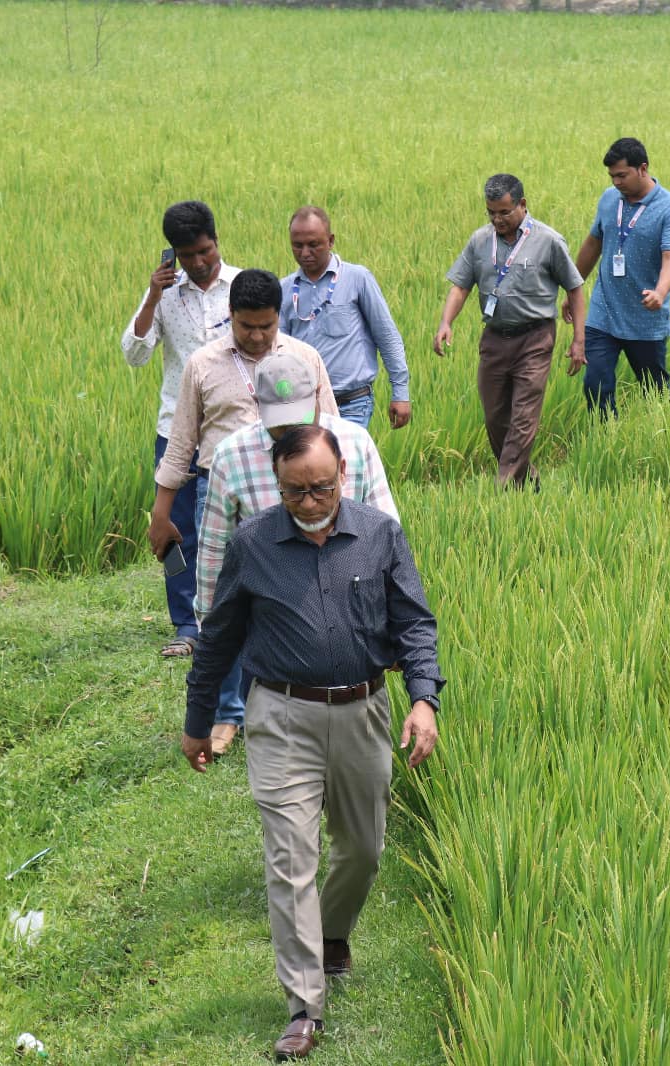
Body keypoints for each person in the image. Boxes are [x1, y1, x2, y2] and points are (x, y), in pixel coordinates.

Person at [182, 424, 444, 1063]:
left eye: (321, 487)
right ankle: (304, 1006)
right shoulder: (253, 544)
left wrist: (424, 700)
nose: (310, 501)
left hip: (362, 712)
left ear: (343, 479)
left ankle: (331, 935)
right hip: (282, 716)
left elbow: (414, 621)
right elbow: (218, 637)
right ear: (277, 483)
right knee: (290, 859)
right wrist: (198, 719)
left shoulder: (378, 535)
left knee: (362, 849)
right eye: (296, 490)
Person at [147, 269, 339, 755]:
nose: (256, 337)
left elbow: (331, 431)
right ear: (229, 316)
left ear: (279, 319)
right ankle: (229, 713)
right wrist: (162, 508)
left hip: (293, 494)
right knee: (228, 600)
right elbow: (181, 442)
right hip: (225, 488)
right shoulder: (202, 363)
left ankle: (284, 701)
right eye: (246, 326)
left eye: (266, 327)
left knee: (290, 599)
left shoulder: (304, 358)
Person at [195, 351, 401, 643]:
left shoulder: (355, 443)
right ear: (257, 404)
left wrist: (396, 622)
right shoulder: (231, 457)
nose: (293, 431)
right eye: (281, 423)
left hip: (351, 624)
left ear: (318, 394)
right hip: (268, 630)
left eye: (300, 417)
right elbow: (215, 550)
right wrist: (210, 629)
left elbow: (386, 537)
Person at [120, 200, 241, 659]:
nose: (197, 263)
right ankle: (185, 626)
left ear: (216, 240)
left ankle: (230, 617)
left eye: (204, 251)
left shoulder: (240, 285)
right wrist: (152, 296)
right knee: (174, 529)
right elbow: (135, 354)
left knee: (236, 529)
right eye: (186, 255)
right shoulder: (166, 293)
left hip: (231, 431)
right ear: (172, 253)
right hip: (176, 431)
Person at [434, 174, 585, 489]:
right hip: (494, 339)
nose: (497, 219)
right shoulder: (479, 241)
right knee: (496, 418)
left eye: (504, 212)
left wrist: (578, 341)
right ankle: (527, 483)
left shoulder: (548, 240)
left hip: (535, 339)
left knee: (523, 417)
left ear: (522, 204)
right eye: (491, 212)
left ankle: (502, 486)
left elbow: (575, 288)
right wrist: (446, 322)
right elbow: (461, 285)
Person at [568, 137, 670, 417]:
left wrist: (660, 291)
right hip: (603, 312)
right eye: (612, 176)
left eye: (622, 175)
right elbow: (593, 243)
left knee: (654, 389)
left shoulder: (669, 209)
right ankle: (606, 437)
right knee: (595, 383)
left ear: (642, 168)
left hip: (644, 318)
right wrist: (574, 286)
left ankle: (664, 434)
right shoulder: (610, 199)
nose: (616, 182)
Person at [279, 206, 412, 432]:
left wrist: (401, 393)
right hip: (303, 406)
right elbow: (279, 353)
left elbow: (387, 336)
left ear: (330, 241)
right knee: (308, 466)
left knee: (344, 466)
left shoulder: (357, 279)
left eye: (313, 245)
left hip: (351, 403)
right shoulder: (284, 288)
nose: (304, 253)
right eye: (297, 245)